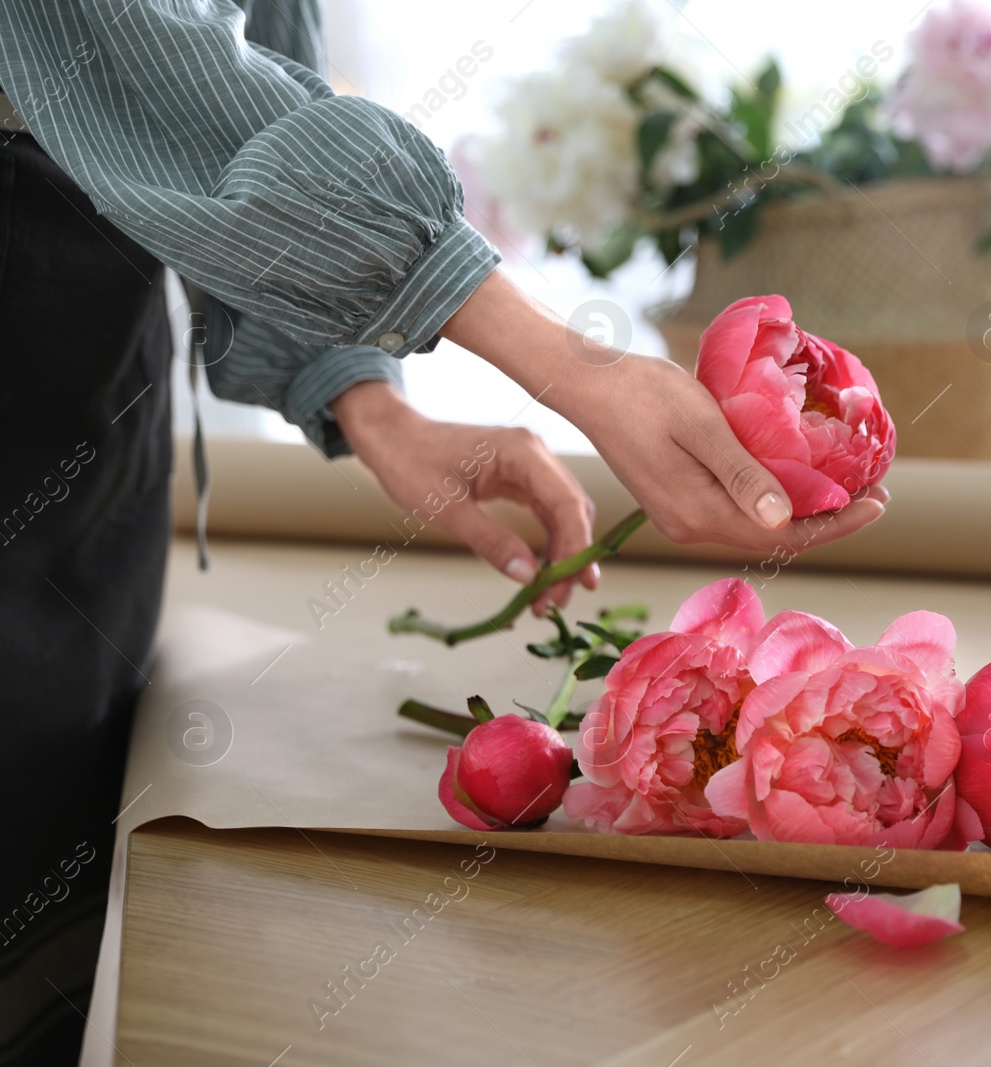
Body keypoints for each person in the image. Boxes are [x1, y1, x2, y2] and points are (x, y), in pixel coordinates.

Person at [0, 2, 887, 1062]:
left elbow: (240, 59)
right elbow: (123, 49)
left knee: (53, 862)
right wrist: (572, 366)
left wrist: (361, 393)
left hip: (91, 364)